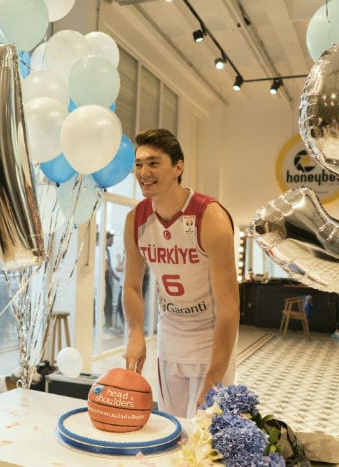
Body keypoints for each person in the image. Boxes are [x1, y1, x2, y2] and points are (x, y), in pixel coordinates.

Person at [122, 128, 240, 419]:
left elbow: (229, 306)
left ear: (178, 167)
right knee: (172, 428)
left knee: (205, 434)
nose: (143, 172)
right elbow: (132, 286)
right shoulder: (135, 219)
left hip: (210, 337)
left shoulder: (209, 216)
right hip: (171, 335)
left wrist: (217, 371)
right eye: (138, 164)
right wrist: (136, 333)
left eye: (153, 163)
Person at [104, 230, 119, 331]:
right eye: (112, 239)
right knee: (108, 302)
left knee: (108, 301)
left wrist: (114, 276)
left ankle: (108, 323)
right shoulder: (102, 250)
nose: (113, 242)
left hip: (108, 279)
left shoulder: (107, 251)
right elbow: (107, 267)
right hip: (105, 280)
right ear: (107, 239)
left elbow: (109, 267)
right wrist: (114, 276)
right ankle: (108, 324)